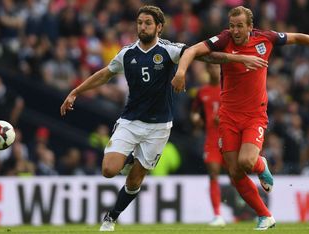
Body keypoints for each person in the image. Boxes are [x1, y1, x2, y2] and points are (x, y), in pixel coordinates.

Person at [60, 5, 267, 232]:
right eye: (140, 22)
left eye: (148, 23)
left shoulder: (169, 50)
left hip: (159, 127)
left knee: (135, 181)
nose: (143, 26)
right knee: (108, 170)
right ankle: (128, 162)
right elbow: (104, 74)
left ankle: (111, 217)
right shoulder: (127, 53)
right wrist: (75, 92)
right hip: (130, 121)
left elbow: (206, 55)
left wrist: (238, 59)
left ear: (159, 27)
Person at [171, 6, 309, 230]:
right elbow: (192, 51)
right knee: (234, 171)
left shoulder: (266, 38)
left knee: (246, 162)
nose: (235, 30)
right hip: (228, 116)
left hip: (254, 115)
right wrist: (181, 72)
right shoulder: (224, 39)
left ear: (250, 27)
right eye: (232, 26)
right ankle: (265, 215)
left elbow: (298, 37)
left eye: (240, 26)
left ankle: (261, 165)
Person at [190, 63, 225, 226]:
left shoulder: (228, 88)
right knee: (213, 174)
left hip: (229, 138)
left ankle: (251, 209)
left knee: (236, 176)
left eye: (217, 67)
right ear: (207, 70)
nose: (215, 70)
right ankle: (217, 215)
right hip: (211, 139)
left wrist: (224, 117)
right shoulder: (202, 92)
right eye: (212, 68)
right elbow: (194, 110)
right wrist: (195, 118)